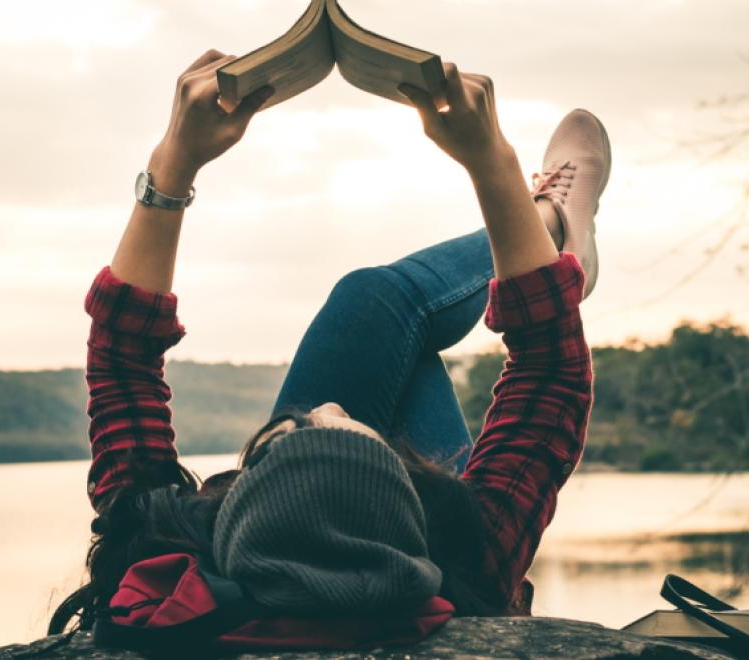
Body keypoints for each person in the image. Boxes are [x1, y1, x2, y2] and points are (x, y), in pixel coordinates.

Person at [48, 48, 610, 643]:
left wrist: (173, 166)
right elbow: (552, 374)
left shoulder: (468, 562)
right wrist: (492, 163)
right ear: (415, 504)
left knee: (382, 313)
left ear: (229, 525)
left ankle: (550, 223)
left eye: (281, 439)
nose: (329, 405)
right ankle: (550, 222)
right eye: (356, 434)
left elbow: (120, 363)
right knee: (377, 305)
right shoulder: (472, 559)